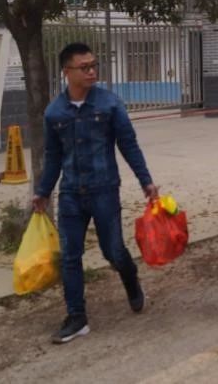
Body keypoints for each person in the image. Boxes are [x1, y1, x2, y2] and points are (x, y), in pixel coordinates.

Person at [33, 42, 160, 344]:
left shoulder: (109, 104)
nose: (92, 71)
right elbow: (52, 157)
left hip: (104, 191)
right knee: (70, 257)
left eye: (94, 65)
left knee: (113, 251)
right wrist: (43, 191)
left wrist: (146, 181)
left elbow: (128, 145)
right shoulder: (54, 112)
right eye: (84, 67)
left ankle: (130, 279)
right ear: (67, 72)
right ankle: (77, 317)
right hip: (70, 194)